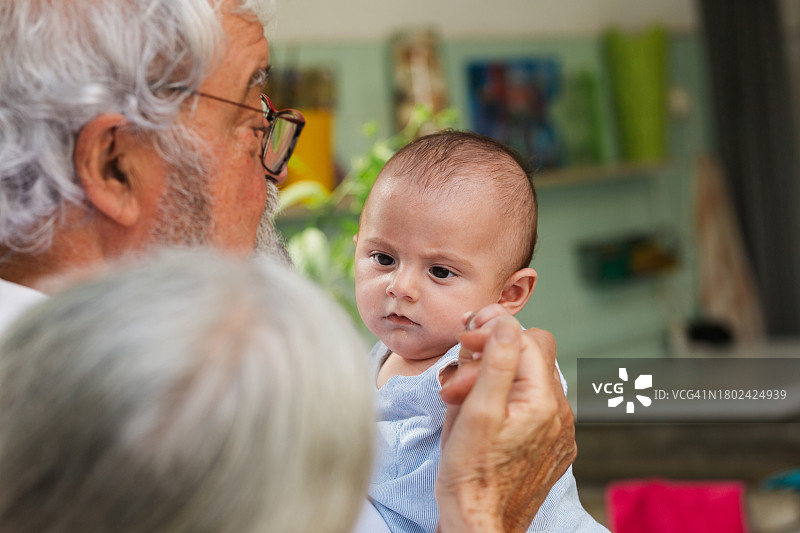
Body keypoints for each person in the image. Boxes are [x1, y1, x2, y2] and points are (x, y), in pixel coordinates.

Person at [0, 0, 579, 530]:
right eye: (253, 124)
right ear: (115, 164)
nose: (275, 168)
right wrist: (486, 515)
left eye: (440, 271)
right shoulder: (116, 423)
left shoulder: (474, 365)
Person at [355, 131, 606, 532]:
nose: (400, 287)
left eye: (440, 271)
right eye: (383, 258)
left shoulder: (489, 357)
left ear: (510, 294)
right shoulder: (372, 360)